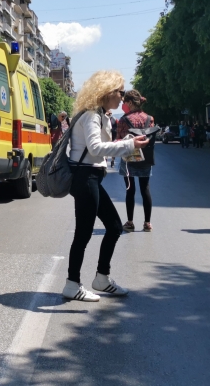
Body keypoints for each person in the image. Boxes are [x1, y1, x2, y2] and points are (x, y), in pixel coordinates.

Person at [61, 71, 148, 302]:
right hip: (85, 177)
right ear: (107, 91)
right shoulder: (91, 115)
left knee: (114, 226)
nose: (122, 97)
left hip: (90, 177)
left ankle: (101, 278)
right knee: (84, 233)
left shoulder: (99, 114)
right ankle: (72, 284)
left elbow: (99, 146)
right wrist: (128, 145)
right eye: (120, 92)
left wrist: (124, 144)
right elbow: (96, 148)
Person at [116, 90, 155, 232]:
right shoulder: (149, 118)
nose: (123, 104)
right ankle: (147, 223)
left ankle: (130, 222)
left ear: (130, 102)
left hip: (129, 159)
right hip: (145, 158)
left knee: (130, 190)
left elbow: (119, 138)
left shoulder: (123, 120)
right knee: (145, 189)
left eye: (125, 102)